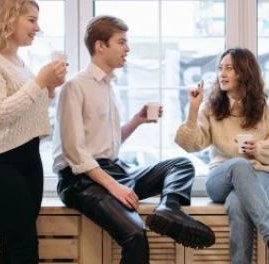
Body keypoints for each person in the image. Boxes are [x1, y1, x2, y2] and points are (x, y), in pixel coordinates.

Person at [52, 15, 215, 264]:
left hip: (112, 170)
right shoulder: (75, 87)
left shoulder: (110, 86)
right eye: (121, 42)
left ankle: (169, 208)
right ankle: (165, 209)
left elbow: (107, 142)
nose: (127, 49)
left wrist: (137, 121)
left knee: (181, 165)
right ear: (100, 46)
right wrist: (114, 187)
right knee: (135, 234)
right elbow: (75, 152)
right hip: (81, 181)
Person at [0, 0, 67, 263]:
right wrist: (40, 81)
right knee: (24, 247)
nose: (37, 27)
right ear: (9, 19)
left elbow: (25, 109)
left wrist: (48, 89)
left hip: (27, 160)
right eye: (31, 20)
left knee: (13, 246)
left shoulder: (17, 60)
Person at [175, 48, 269, 264]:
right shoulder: (211, 108)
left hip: (259, 177)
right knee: (238, 165)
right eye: (220, 68)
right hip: (220, 179)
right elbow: (191, 144)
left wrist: (257, 149)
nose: (222, 74)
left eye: (229, 68)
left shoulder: (265, 110)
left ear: (244, 73)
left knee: (237, 202)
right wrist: (193, 109)